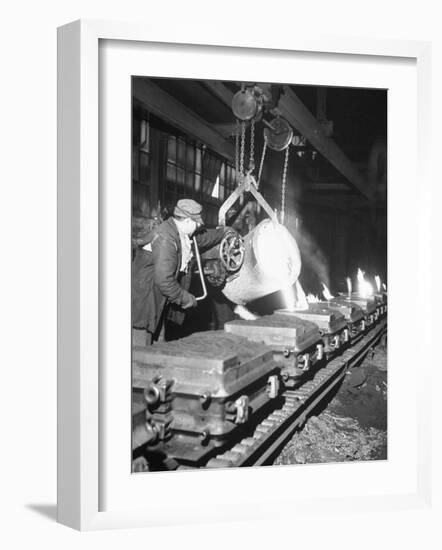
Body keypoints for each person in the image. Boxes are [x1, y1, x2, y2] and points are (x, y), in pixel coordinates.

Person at [132, 198, 233, 346]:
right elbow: (164, 281)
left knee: (157, 347)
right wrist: (186, 299)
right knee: (142, 353)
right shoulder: (166, 239)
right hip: (144, 303)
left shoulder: (179, 232)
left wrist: (224, 232)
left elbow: (203, 238)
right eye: (197, 223)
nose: (199, 226)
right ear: (186, 221)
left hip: (157, 301)